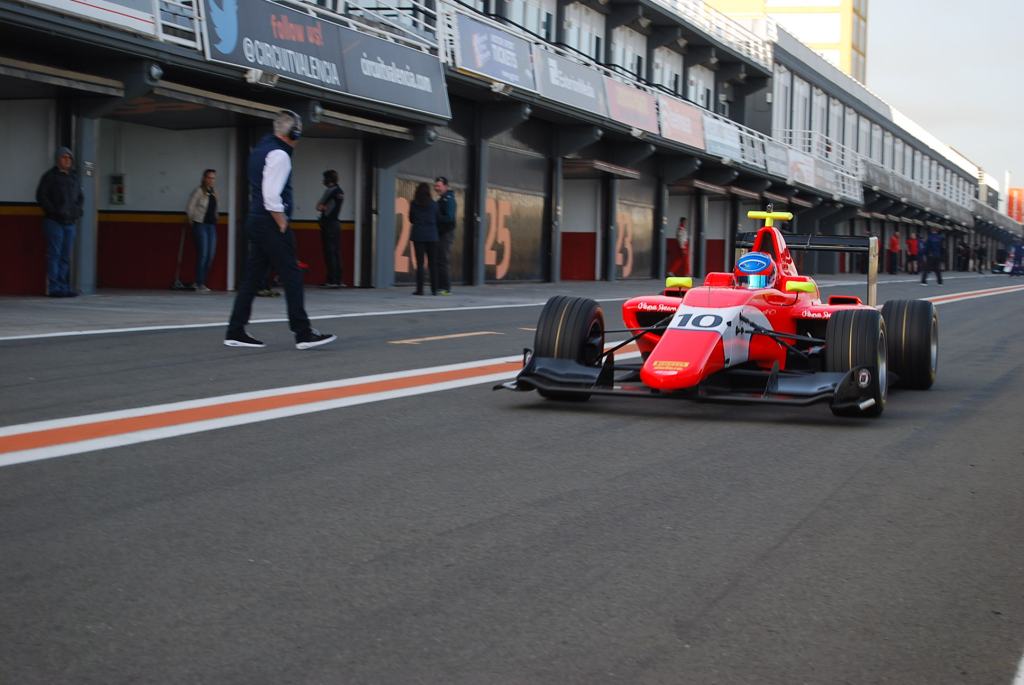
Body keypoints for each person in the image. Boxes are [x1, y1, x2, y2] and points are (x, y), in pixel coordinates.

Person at [225, 110, 335, 350]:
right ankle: (303, 333)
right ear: (293, 134)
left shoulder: (260, 149)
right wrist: (281, 221)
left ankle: (235, 330)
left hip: (256, 220)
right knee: (292, 275)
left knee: (252, 278)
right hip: (271, 223)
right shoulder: (280, 154)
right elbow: (271, 195)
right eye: (299, 133)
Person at [36, 146, 83, 297]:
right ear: (58, 159)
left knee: (65, 256)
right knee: (54, 255)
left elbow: (80, 198)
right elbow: (41, 196)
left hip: (70, 223)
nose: (67, 160)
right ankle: (54, 288)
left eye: (69, 158)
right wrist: (54, 211)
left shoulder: (74, 177)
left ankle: (64, 287)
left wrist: (77, 211)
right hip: (54, 222)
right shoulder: (49, 177)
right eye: (64, 157)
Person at [185, 168, 218, 292]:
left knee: (210, 255)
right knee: (203, 254)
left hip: (211, 225)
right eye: (209, 178)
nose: (211, 180)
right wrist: (193, 221)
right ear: (204, 178)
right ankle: (198, 282)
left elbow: (215, 208)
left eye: (213, 178)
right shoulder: (199, 191)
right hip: (200, 224)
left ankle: (202, 282)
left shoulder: (214, 192)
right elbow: (190, 207)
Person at [409, 182, 439, 296]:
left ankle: (420, 289)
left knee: (420, 264)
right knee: (433, 264)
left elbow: (411, 219)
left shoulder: (414, 204)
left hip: (418, 235)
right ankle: (434, 289)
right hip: (432, 236)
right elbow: (437, 218)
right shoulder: (434, 204)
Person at [316, 169, 345, 288]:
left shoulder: (330, 191)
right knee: (336, 252)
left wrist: (323, 208)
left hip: (328, 224)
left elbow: (319, 206)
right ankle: (338, 279)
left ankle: (331, 279)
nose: (323, 181)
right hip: (336, 224)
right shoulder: (340, 191)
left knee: (329, 252)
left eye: (324, 178)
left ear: (328, 179)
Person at [433, 176, 456, 295]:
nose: (436, 188)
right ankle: (440, 286)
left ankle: (445, 288)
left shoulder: (448, 199)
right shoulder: (442, 199)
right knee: (439, 259)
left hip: (446, 233)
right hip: (441, 233)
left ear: (446, 186)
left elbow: (449, 217)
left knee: (442, 260)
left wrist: (436, 218)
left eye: (439, 186)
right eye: (435, 186)